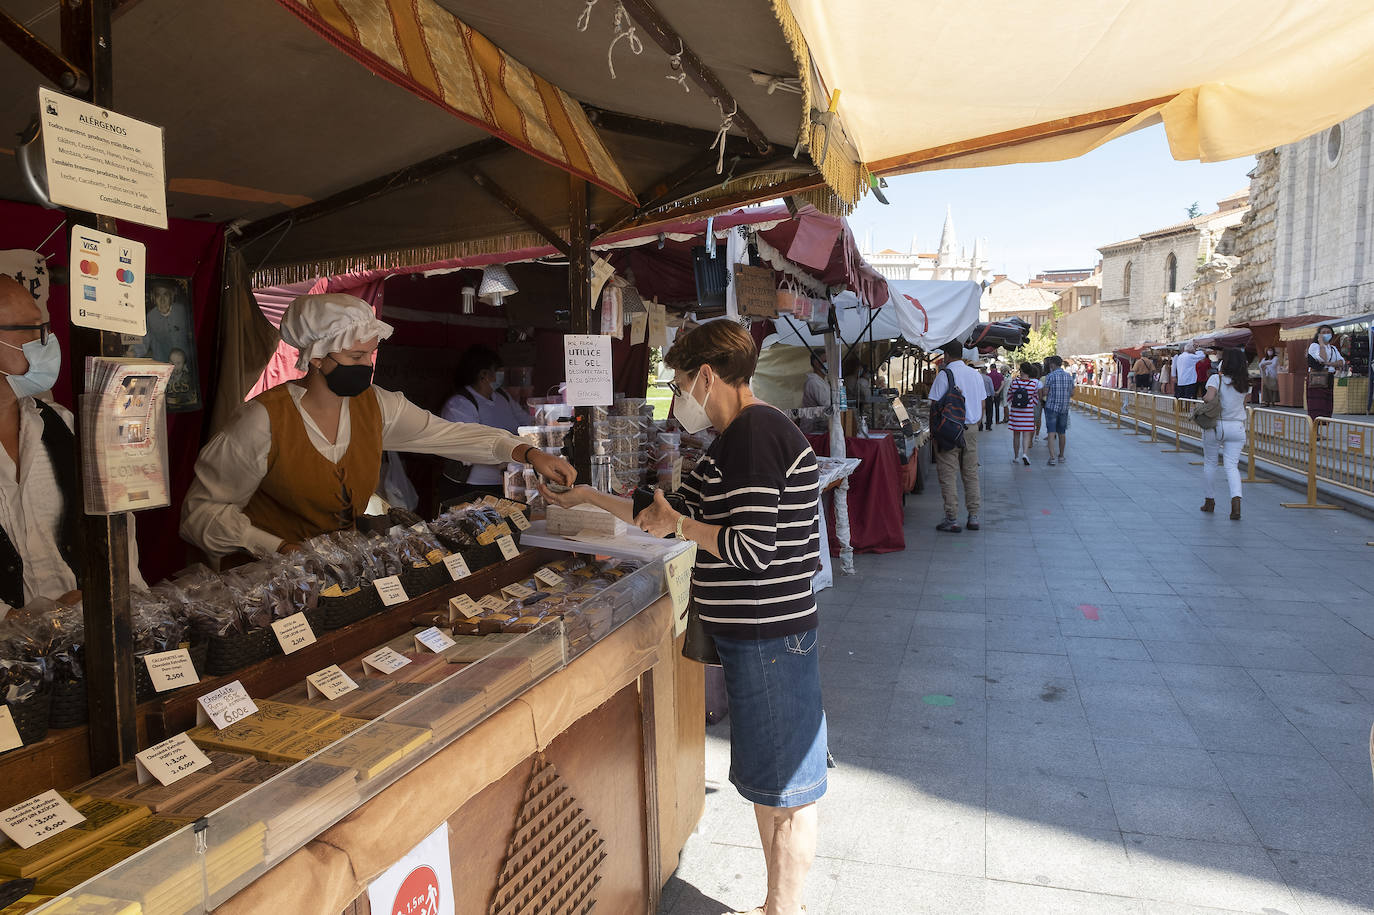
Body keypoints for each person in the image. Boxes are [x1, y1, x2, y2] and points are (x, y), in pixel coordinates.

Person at [538, 320, 825, 915]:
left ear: (705, 377)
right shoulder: (738, 438)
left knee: (785, 792)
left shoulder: (753, 435)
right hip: (759, 638)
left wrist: (683, 529)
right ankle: (777, 906)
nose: (676, 398)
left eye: (676, 382)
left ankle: (784, 909)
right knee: (772, 785)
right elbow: (662, 512)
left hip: (770, 638)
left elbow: (751, 549)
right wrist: (588, 496)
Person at [181, 294, 575, 561]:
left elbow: (447, 435)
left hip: (341, 577)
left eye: (369, 354)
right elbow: (201, 514)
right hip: (265, 589)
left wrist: (526, 452)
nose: (367, 364)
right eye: (355, 355)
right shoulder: (261, 421)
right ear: (317, 358)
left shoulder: (377, 406)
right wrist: (276, 547)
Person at [0, 276, 145, 612]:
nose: (47, 341)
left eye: (45, 327)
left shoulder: (63, 425)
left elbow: (117, 535)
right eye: (32, 329)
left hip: (83, 643)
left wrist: (123, 601)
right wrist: (25, 621)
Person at [438, 345, 531, 503]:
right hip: (471, 488)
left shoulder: (503, 397)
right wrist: (506, 452)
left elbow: (526, 423)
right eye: (499, 370)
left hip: (506, 484)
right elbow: (468, 446)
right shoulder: (460, 404)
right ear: (484, 375)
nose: (503, 375)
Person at [929, 341, 984, 532]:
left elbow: (934, 405)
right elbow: (982, 405)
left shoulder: (945, 375)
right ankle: (974, 516)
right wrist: (974, 425)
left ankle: (952, 518)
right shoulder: (975, 375)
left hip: (949, 432)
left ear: (946, 355)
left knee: (948, 474)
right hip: (971, 429)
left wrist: (935, 433)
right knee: (970, 473)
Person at [1201, 347, 1249, 520]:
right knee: (1232, 466)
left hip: (1216, 425)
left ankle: (1210, 500)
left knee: (1210, 463)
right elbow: (1242, 404)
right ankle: (1236, 502)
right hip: (1237, 427)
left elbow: (1208, 398)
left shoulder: (1216, 379)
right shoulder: (1245, 383)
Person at [1305, 324, 1345, 422]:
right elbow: (1322, 358)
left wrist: (1329, 363)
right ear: (1319, 335)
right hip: (1317, 378)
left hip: (1329, 379)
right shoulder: (1314, 346)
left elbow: (1341, 362)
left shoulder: (1333, 348)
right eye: (1323, 332)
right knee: (1316, 406)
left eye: (1328, 332)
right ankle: (1314, 432)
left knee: (1326, 407)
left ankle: (1321, 431)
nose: (1326, 334)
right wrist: (1321, 344)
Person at [1040, 355, 1075, 466]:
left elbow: (1045, 392)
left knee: (1051, 432)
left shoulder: (1050, 376)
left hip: (1051, 408)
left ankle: (1052, 457)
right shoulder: (1068, 376)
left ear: (1052, 364)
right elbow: (1073, 393)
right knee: (1062, 432)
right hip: (1064, 408)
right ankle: (1061, 455)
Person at [1006, 362, 1039, 466]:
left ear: (1021, 371)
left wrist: (1013, 403)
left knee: (1016, 435)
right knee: (1026, 434)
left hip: (1016, 412)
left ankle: (1016, 456)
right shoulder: (1034, 384)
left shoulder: (1015, 382)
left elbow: (1009, 395)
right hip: (1027, 413)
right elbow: (1035, 399)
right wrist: (1029, 404)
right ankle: (1025, 454)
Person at [797, 353, 831, 435]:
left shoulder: (823, 381)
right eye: (825, 361)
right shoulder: (814, 382)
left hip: (820, 426)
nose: (828, 364)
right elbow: (826, 404)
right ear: (816, 363)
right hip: (812, 429)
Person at [978, 364, 995, 431]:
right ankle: (988, 426)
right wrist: (993, 395)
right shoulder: (988, 378)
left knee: (980, 411)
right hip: (988, 396)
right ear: (985, 371)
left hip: (980, 397)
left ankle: (980, 425)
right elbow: (991, 388)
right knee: (989, 412)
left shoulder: (978, 377)